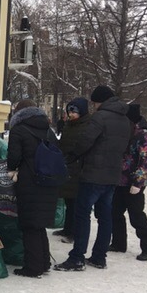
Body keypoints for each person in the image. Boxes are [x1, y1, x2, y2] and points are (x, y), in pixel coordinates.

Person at [55, 85, 132, 272]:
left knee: (82, 215)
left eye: (95, 102)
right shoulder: (125, 119)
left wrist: (72, 157)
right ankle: (99, 257)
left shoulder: (100, 117)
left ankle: (77, 258)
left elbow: (86, 141)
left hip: (92, 174)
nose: (94, 106)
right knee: (105, 216)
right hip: (113, 175)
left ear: (100, 101)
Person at [6, 99, 60, 277]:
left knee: (29, 224)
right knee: (40, 224)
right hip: (49, 181)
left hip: (29, 181)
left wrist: (12, 171)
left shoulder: (18, 130)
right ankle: (43, 262)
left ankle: (33, 267)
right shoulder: (48, 130)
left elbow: (14, 156)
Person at [110, 104, 147, 259]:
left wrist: (138, 183)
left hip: (134, 183)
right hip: (119, 181)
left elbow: (146, 160)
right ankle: (118, 243)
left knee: (136, 216)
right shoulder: (125, 131)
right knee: (115, 213)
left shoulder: (143, 135)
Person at [55, 98, 91, 242]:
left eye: (73, 111)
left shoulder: (87, 125)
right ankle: (67, 228)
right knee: (68, 201)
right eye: (69, 111)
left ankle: (74, 233)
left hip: (78, 167)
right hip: (67, 165)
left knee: (76, 203)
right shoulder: (69, 125)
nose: (71, 114)